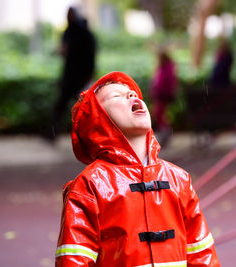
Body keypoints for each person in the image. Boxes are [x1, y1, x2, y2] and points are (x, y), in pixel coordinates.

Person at [55, 71, 220, 266]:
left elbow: (201, 252)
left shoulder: (179, 179)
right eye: (116, 96)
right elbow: (73, 259)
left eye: (133, 94)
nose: (131, 95)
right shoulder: (90, 185)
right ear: (98, 120)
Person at [48, 6, 96, 141]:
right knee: (86, 108)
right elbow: (92, 56)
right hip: (82, 75)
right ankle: (89, 136)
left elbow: (63, 51)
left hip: (71, 76)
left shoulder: (70, 32)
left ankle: (54, 133)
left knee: (62, 105)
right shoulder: (88, 34)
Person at [150, 50, 178, 146]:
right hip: (161, 95)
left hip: (162, 95)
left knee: (159, 113)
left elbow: (164, 83)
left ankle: (165, 132)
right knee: (160, 114)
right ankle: (165, 132)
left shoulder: (167, 68)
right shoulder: (166, 68)